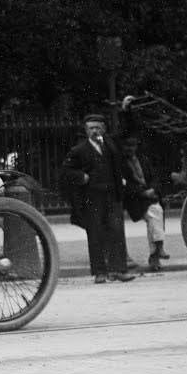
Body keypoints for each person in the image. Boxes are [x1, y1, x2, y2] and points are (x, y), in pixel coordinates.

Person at [60, 113, 135, 284]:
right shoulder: (78, 150)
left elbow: (127, 132)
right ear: (86, 131)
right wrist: (82, 177)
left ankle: (119, 270)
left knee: (117, 232)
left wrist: (126, 110)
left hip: (112, 195)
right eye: (91, 128)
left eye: (98, 127)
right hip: (92, 198)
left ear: (104, 129)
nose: (95, 131)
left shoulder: (110, 144)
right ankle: (100, 273)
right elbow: (66, 171)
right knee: (96, 235)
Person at [121, 135, 169, 273]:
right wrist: (142, 193)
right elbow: (125, 185)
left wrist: (152, 189)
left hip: (149, 196)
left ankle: (155, 254)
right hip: (134, 199)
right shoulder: (120, 163)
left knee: (155, 213)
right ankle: (158, 249)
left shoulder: (143, 160)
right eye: (127, 146)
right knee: (156, 212)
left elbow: (154, 177)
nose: (130, 149)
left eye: (133, 146)